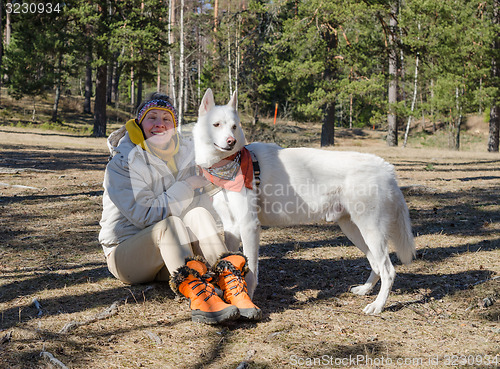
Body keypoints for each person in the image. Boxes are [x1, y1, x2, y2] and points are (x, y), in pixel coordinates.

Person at [99, 92, 261, 324]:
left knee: (198, 214)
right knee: (171, 225)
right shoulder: (122, 164)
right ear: (139, 122)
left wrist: (217, 188)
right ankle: (201, 299)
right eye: (152, 117)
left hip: (172, 254)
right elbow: (145, 216)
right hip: (126, 255)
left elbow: (199, 204)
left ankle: (230, 283)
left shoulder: (184, 155)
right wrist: (187, 186)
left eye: (166, 119)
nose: (159, 124)